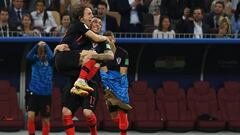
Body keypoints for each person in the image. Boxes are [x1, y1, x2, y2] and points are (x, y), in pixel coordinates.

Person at [54, 7, 113, 134]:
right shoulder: (82, 37)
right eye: (95, 21)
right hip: (74, 80)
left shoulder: (102, 42)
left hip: (91, 82)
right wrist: (58, 47)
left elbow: (110, 56)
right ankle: (80, 81)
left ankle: (94, 133)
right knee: (66, 112)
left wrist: (94, 56)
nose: (97, 24)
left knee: (87, 113)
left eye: (100, 24)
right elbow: (66, 46)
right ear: (89, 23)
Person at [100, 31, 132, 135]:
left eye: (111, 39)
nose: (109, 41)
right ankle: (123, 123)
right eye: (106, 40)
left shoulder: (123, 53)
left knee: (122, 111)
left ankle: (123, 130)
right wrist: (108, 88)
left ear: (114, 40)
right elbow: (104, 73)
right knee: (114, 117)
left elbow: (123, 73)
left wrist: (122, 90)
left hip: (120, 84)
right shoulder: (101, 54)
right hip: (108, 84)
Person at [26, 41, 54, 135]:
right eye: (40, 51)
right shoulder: (34, 59)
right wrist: (37, 46)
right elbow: (28, 56)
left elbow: (52, 57)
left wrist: (46, 45)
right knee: (30, 116)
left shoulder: (50, 61)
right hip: (34, 93)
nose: (41, 53)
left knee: (45, 119)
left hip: (46, 95)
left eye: (43, 51)